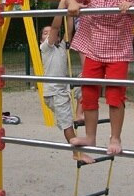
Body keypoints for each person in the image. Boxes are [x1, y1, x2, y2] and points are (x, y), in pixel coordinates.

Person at [65, 0, 134, 155]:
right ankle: (90, 136)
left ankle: (115, 137)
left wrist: (132, 9)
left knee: (115, 96)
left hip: (118, 53)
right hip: (92, 50)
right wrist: (73, 3)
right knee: (89, 94)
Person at [40, 23, 94, 164]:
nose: (49, 33)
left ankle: (79, 114)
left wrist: (69, 8)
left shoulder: (62, 46)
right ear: (41, 40)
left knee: (86, 78)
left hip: (64, 89)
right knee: (67, 124)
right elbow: (56, 27)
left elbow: (68, 29)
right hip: (54, 93)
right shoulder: (45, 48)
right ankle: (77, 153)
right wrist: (61, 7)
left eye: (50, 32)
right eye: (45, 33)